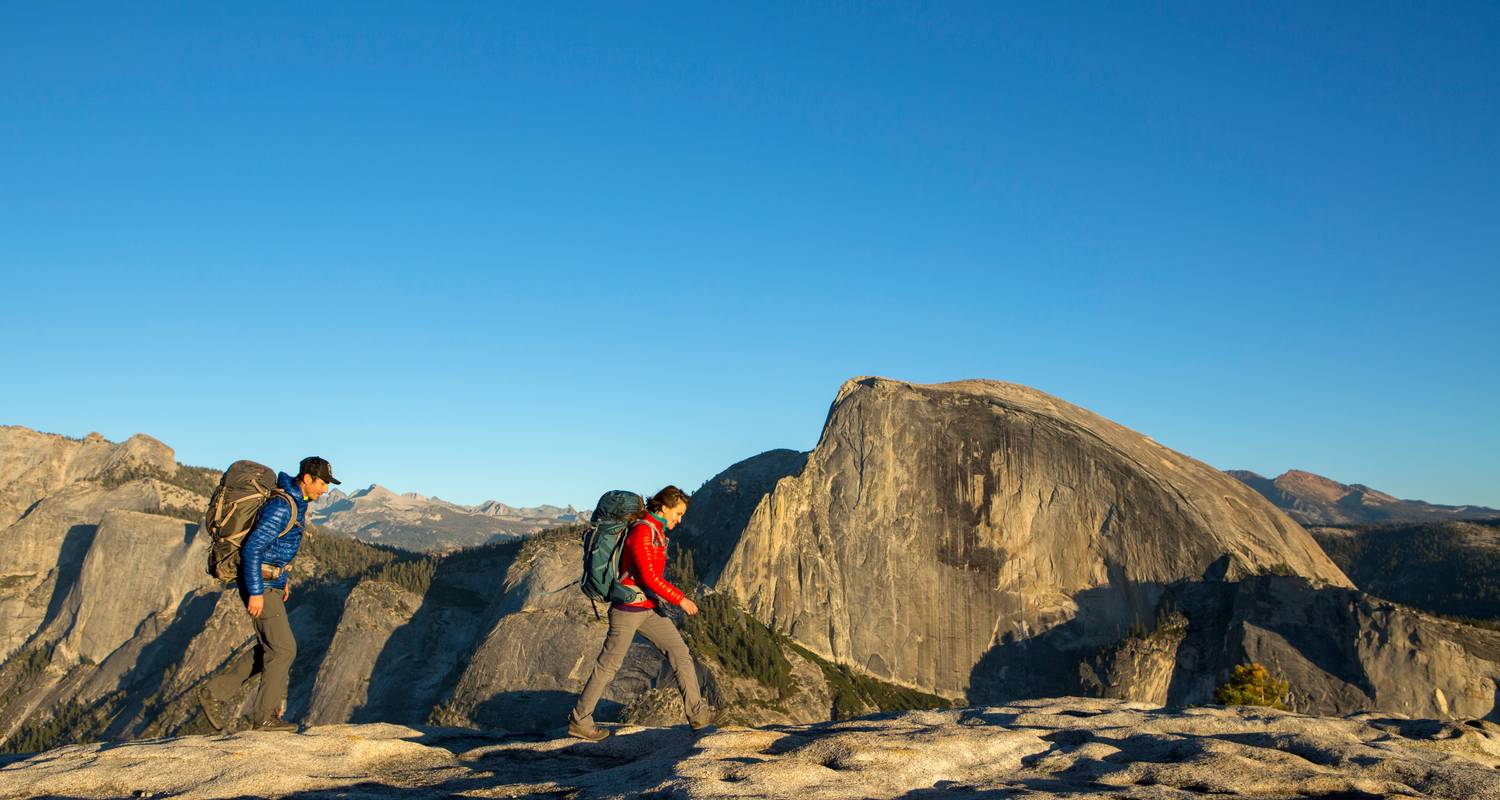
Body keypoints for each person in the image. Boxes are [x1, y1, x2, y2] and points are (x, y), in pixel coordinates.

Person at [198, 456, 339, 732]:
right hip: (260, 585)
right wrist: (256, 592)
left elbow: (277, 548)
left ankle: (215, 693)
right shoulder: (282, 507)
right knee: (284, 649)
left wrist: (282, 578)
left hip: (271, 582)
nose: (325, 490)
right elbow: (252, 549)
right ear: (308, 479)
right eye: (322, 483)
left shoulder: (297, 503)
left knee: (271, 647)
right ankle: (262, 718)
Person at [568, 486, 715, 740]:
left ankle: (698, 715)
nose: (679, 520)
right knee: (609, 665)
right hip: (628, 610)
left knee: (680, 653)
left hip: (647, 607)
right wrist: (681, 599)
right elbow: (648, 577)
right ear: (664, 507)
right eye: (678, 513)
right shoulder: (642, 531)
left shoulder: (656, 531)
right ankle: (580, 720)